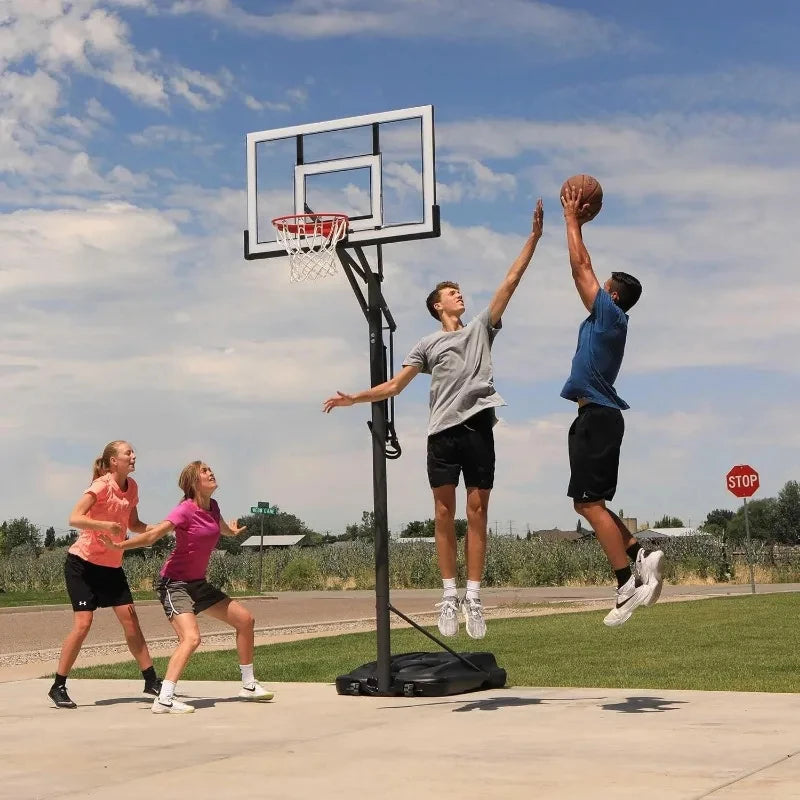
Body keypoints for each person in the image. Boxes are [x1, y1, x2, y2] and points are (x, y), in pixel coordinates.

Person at [324, 200, 544, 639]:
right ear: (436, 305)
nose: (459, 294)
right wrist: (354, 399)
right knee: (443, 515)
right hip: (441, 433)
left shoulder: (481, 327)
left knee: (477, 511)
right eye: (450, 292)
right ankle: (448, 595)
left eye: (459, 290)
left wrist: (533, 238)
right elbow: (394, 386)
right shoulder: (426, 344)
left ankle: (474, 598)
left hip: (479, 428)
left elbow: (511, 281)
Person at [559, 183, 664, 627]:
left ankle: (626, 581)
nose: (596, 290)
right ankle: (641, 554)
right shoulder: (605, 319)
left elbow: (580, 265)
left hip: (599, 417)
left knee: (587, 505)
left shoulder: (609, 315)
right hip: (594, 417)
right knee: (592, 501)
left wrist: (571, 222)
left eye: (604, 288)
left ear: (613, 296)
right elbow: (585, 273)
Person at [101, 460, 274, 714]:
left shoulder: (213, 506)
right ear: (194, 482)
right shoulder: (185, 510)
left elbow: (221, 527)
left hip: (198, 584)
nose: (211, 472)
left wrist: (232, 532)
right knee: (191, 638)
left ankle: (248, 685)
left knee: (245, 621)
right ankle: (164, 699)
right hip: (175, 584)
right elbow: (153, 535)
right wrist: (120, 546)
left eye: (210, 469)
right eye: (204, 471)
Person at [48, 440, 163, 709]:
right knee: (83, 624)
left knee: (131, 621)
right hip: (82, 565)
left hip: (111, 567)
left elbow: (133, 524)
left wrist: (158, 529)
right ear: (114, 461)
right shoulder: (101, 485)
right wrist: (104, 525)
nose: (134, 456)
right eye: (128, 453)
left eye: (133, 452)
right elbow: (74, 518)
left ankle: (151, 680)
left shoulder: (132, 487)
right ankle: (58, 686)